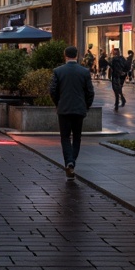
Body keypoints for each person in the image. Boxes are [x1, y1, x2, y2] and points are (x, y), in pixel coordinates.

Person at [48, 46, 94, 179]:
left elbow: (53, 90)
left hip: (64, 109)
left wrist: (58, 103)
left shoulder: (58, 71)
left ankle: (69, 161)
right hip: (79, 110)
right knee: (77, 137)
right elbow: (90, 92)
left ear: (65, 55)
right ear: (77, 55)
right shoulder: (84, 72)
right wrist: (86, 106)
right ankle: (72, 161)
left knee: (65, 137)